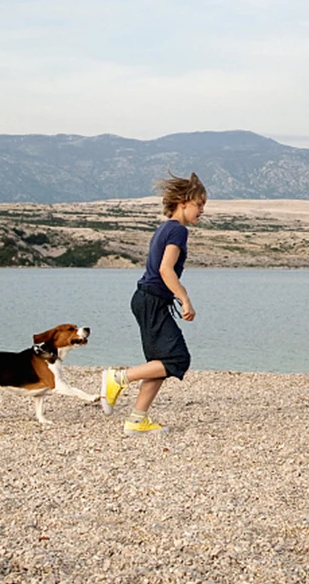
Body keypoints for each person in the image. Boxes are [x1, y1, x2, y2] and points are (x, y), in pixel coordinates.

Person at [100, 172, 206, 434]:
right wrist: (185, 300)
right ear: (183, 201)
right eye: (199, 204)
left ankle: (137, 420)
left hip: (148, 300)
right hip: (152, 301)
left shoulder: (166, 228)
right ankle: (117, 378)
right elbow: (165, 270)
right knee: (177, 359)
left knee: (159, 363)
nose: (202, 211)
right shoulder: (178, 230)